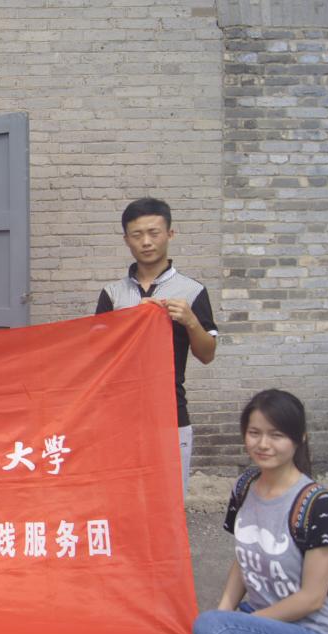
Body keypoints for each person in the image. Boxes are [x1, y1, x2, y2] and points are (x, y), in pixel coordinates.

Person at [177, 389, 328, 634]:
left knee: (209, 626)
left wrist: (234, 627)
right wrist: (227, 615)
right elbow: (244, 560)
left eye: (276, 435)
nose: (263, 444)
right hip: (260, 625)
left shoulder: (317, 504)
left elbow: (312, 598)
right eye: (254, 433)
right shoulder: (244, 486)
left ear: (300, 438)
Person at [95, 197, 217, 492]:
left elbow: (207, 354)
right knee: (122, 496)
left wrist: (190, 321)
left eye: (154, 233)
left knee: (169, 498)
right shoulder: (112, 294)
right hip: (120, 416)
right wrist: (127, 322)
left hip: (171, 413)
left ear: (170, 234)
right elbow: (97, 356)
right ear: (126, 240)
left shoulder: (192, 291)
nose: (146, 242)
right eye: (137, 235)